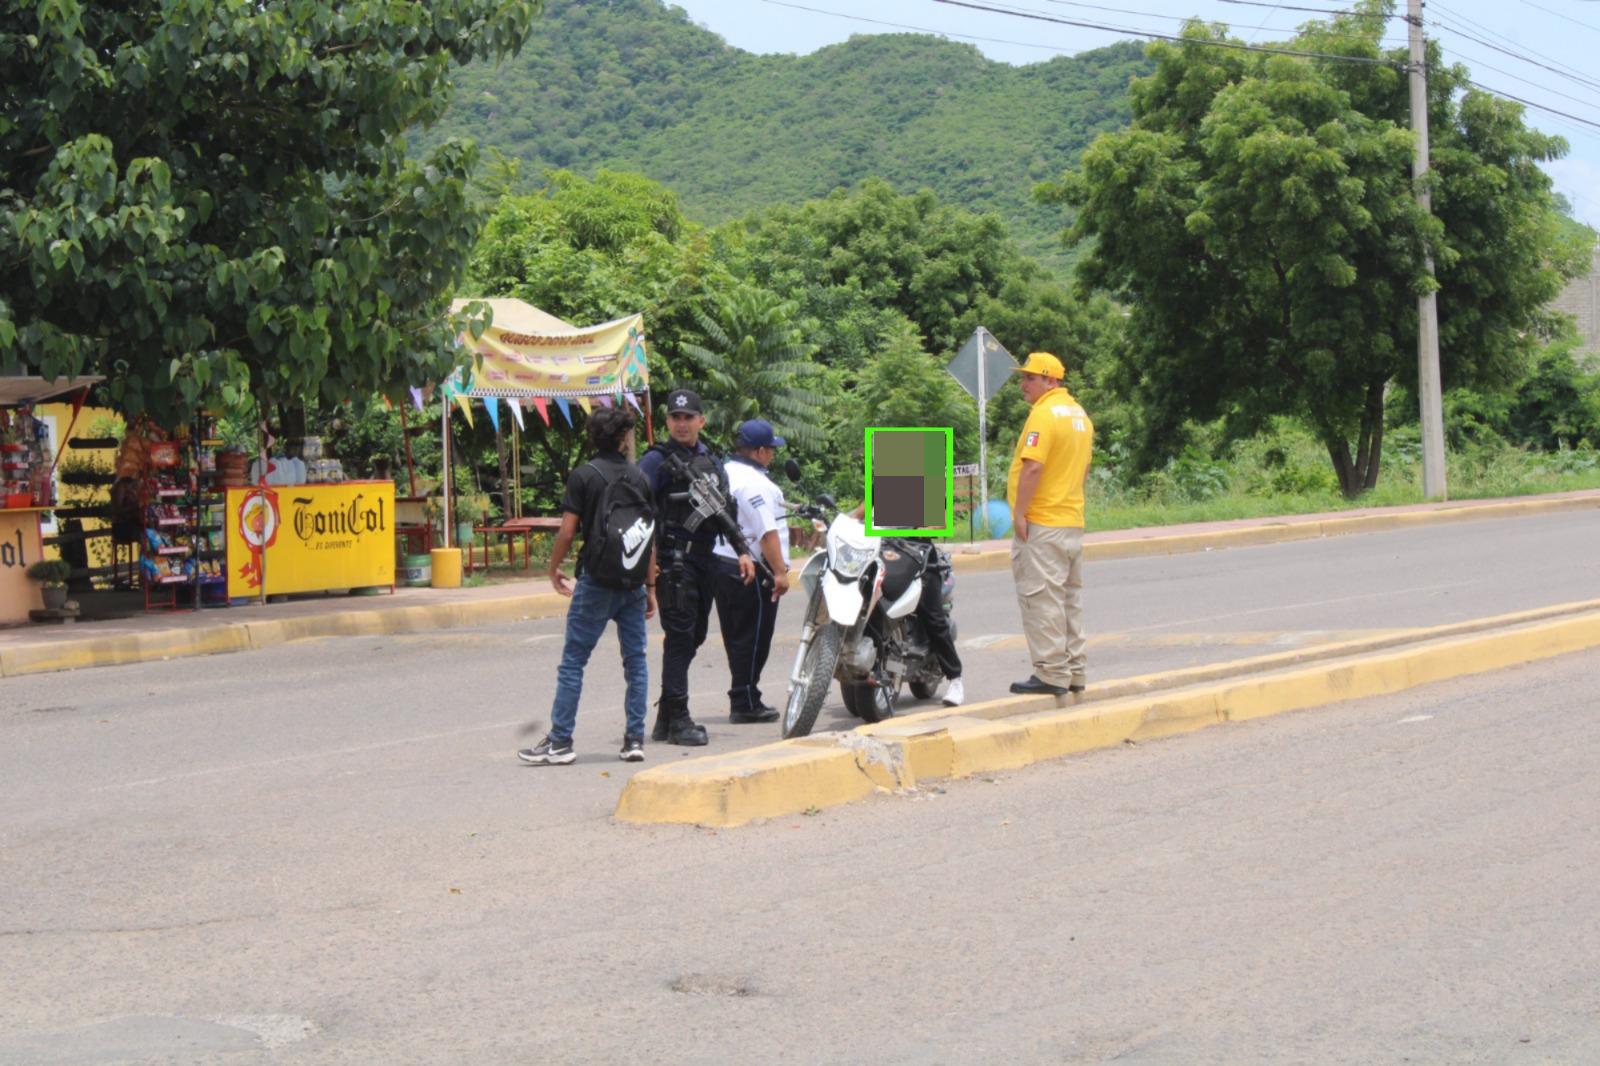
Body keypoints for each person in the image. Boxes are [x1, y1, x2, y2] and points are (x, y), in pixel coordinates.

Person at [519, 405, 657, 766]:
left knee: (573, 662)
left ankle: (561, 741)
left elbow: (567, 530)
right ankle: (633, 740)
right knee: (636, 662)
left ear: (591, 437)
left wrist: (553, 569)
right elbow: (649, 536)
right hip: (631, 584)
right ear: (625, 437)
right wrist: (651, 586)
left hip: (596, 581)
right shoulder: (640, 478)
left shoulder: (584, 476)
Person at [637, 389, 757, 746]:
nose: (682, 423)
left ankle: (665, 717)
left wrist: (742, 551)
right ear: (668, 422)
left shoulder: (711, 461)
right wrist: (647, 574)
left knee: (695, 636)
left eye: (689, 417)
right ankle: (679, 718)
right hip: (674, 561)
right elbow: (638, 509)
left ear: (701, 421)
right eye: (675, 417)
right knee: (680, 636)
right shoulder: (655, 461)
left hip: (704, 559)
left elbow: (726, 511)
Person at [1005, 351, 1094, 697]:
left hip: (1043, 522)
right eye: (1023, 377)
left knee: (1041, 599)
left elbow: (1033, 467)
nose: (1023, 384)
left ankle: (1052, 674)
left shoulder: (1043, 415)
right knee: (1069, 599)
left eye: (1030, 377)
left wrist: (1020, 514)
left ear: (1051, 381)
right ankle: (1074, 671)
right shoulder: (1080, 416)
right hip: (1071, 520)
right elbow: (1083, 469)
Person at [712, 420, 792, 723]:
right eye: (771, 449)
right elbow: (766, 533)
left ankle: (743, 693)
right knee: (754, 637)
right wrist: (780, 573)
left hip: (722, 563)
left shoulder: (725, 471)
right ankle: (745, 701)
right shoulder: (757, 483)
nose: (772, 454)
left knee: (736, 636)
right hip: (751, 568)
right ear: (759, 451)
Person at [846, 502, 964, 707]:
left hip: (918, 555)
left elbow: (942, 521)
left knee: (933, 617)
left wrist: (918, 528)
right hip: (883, 553)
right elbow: (861, 511)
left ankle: (955, 679)